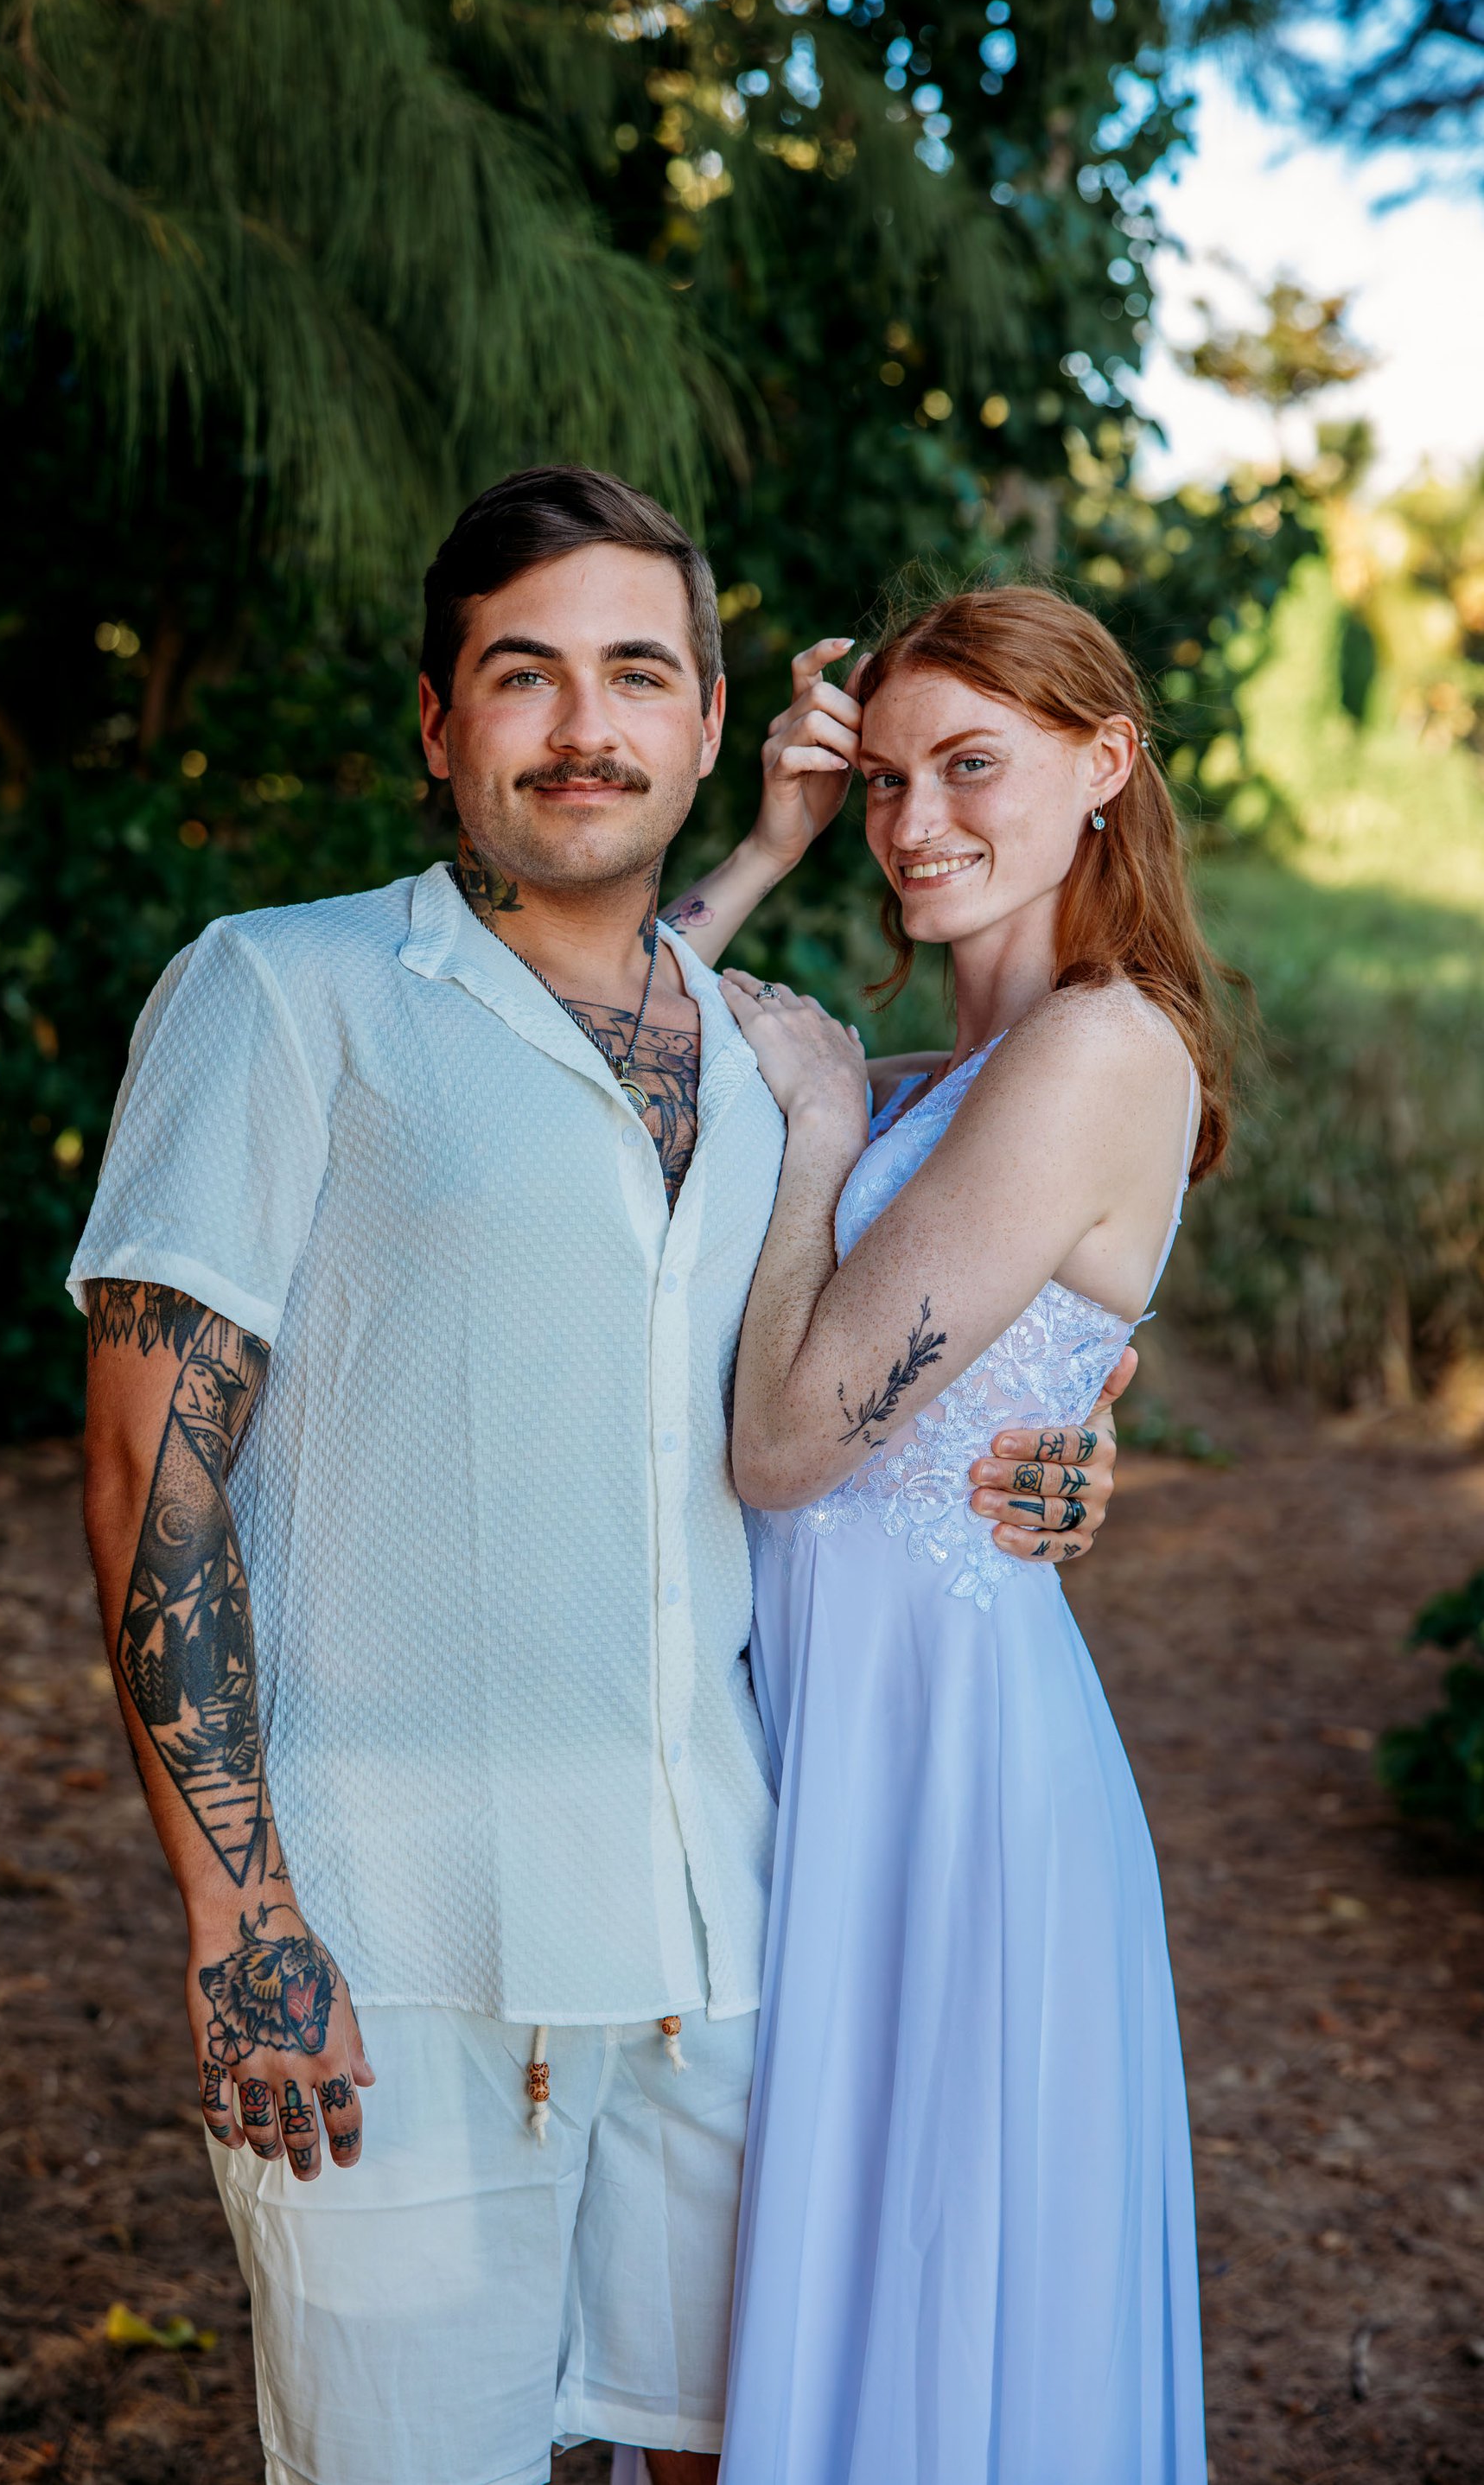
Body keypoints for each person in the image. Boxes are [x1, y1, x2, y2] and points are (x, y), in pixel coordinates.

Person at [73, 468, 1130, 2485]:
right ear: (437, 720)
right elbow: (148, 1471)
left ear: (712, 723)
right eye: (523, 673)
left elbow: (932, 1292)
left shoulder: (763, 1059)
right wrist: (242, 1915)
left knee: (762, 2449)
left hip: (725, 1936)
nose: (584, 725)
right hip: (398, 1938)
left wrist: (1071, 1424)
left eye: (638, 672)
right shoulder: (282, 990)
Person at [710, 586, 1218, 2484]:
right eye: (884, 780)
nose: (915, 821)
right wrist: (768, 840)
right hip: (812, 1727)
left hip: (949, 1764)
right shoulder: (930, 1076)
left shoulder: (1099, 1052)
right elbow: (573, 1058)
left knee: (927, 2296)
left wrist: (816, 1140)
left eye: (973, 766)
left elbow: (786, 1441)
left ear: (1104, 764)